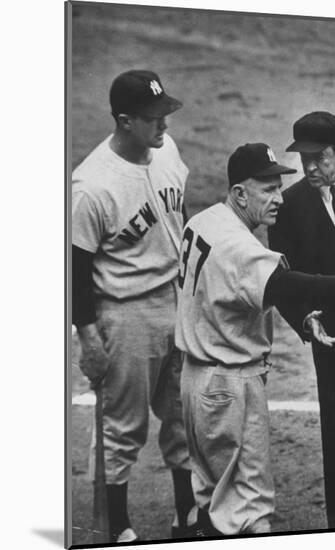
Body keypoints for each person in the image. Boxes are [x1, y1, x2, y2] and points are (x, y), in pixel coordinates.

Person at [175, 142, 335, 536]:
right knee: (250, 509)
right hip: (230, 387)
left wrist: (302, 322)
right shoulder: (240, 246)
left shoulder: (205, 220)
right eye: (267, 189)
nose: (279, 198)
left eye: (279, 187)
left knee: (214, 496)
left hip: (195, 382)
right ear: (239, 194)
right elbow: (284, 283)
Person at [72, 69, 195, 543]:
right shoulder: (90, 187)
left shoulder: (166, 151)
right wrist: (88, 338)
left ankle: (186, 512)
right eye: (153, 118)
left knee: (182, 415)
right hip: (124, 314)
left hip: (174, 300)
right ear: (125, 122)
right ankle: (118, 527)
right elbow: (75, 273)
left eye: (165, 113)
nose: (164, 125)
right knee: (123, 428)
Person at [268, 112, 335, 529]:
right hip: (334, 339)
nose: (309, 166)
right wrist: (304, 320)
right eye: (303, 157)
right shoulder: (290, 206)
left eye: (319, 157)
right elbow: (285, 279)